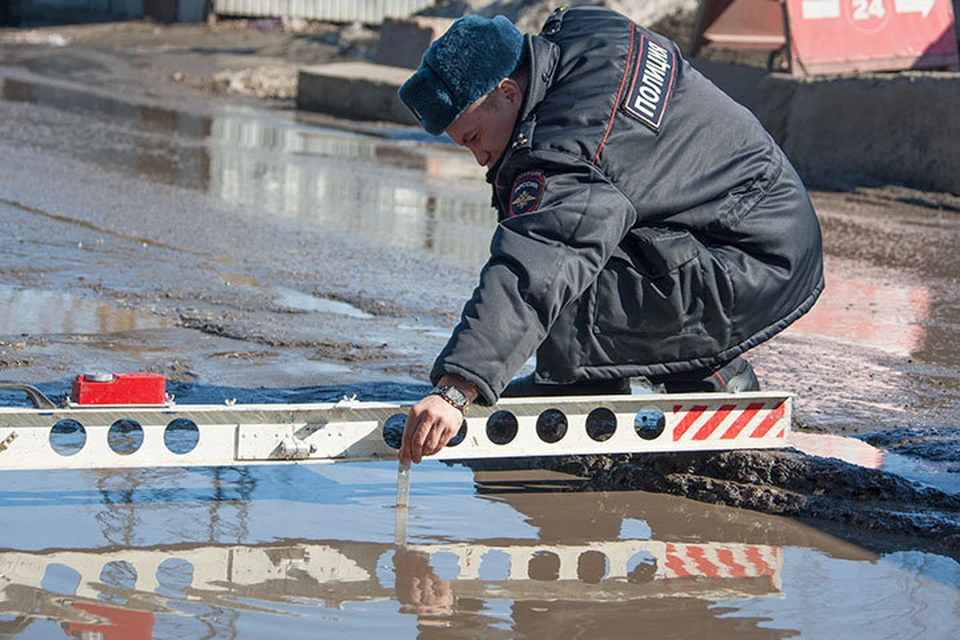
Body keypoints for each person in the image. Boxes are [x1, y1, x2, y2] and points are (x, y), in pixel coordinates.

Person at [396, 7, 824, 464]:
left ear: (507, 90)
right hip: (758, 223)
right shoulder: (583, 35)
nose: (479, 156)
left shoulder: (573, 141)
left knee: (558, 248)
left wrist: (458, 390)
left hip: (748, 259)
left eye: (474, 137)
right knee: (565, 219)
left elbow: (536, 267)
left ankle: (709, 382)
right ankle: (591, 377)